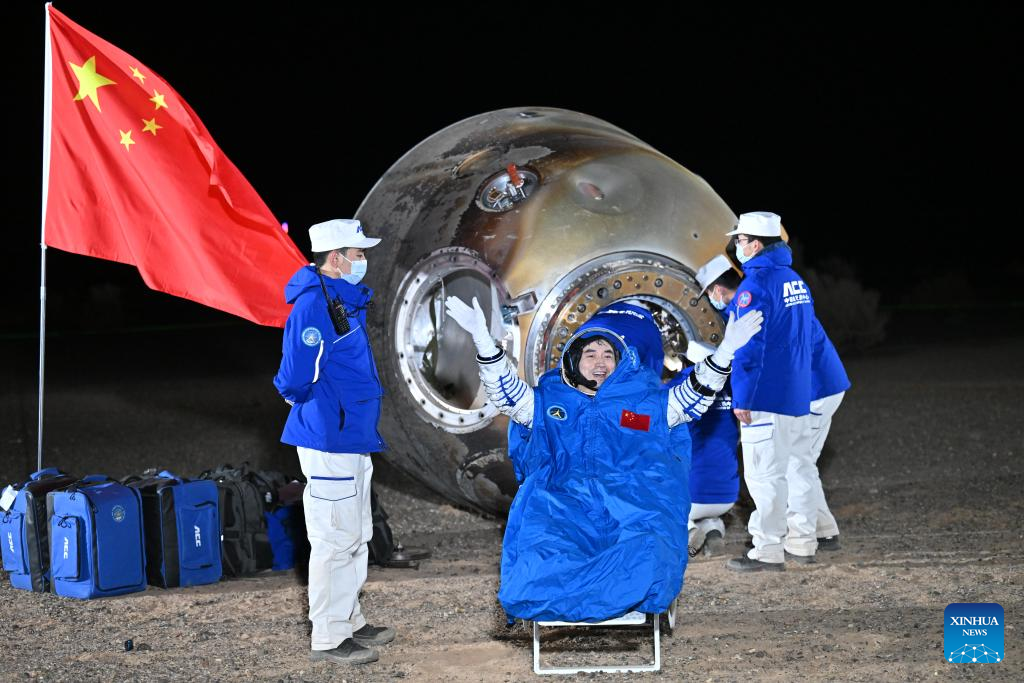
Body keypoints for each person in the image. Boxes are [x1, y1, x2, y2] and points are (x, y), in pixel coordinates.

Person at [444, 294, 762, 622]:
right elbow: (506, 393)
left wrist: (725, 353)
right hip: (564, 509)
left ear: (621, 360)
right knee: (536, 555)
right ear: (574, 359)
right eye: (591, 353)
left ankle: (599, 597)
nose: (600, 362)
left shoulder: (643, 401)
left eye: (608, 354)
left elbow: (692, 399)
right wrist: (483, 340)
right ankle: (597, 597)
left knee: (649, 553)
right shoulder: (550, 401)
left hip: (631, 509)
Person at [273, 218, 395, 665]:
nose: (363, 260)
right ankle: (327, 635)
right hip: (330, 438)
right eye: (358, 253)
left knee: (356, 533)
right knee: (332, 538)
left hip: (351, 436)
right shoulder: (314, 306)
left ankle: (350, 620)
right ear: (335, 257)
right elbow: (293, 379)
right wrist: (320, 407)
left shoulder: (341, 299)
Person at [722, 211, 850, 573]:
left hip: (766, 394)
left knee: (765, 474)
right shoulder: (794, 281)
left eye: (741, 240)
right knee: (800, 467)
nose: (737, 247)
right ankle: (803, 542)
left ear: (757, 244)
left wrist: (743, 397)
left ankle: (767, 550)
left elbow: (748, 347)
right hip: (796, 393)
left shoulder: (755, 286)